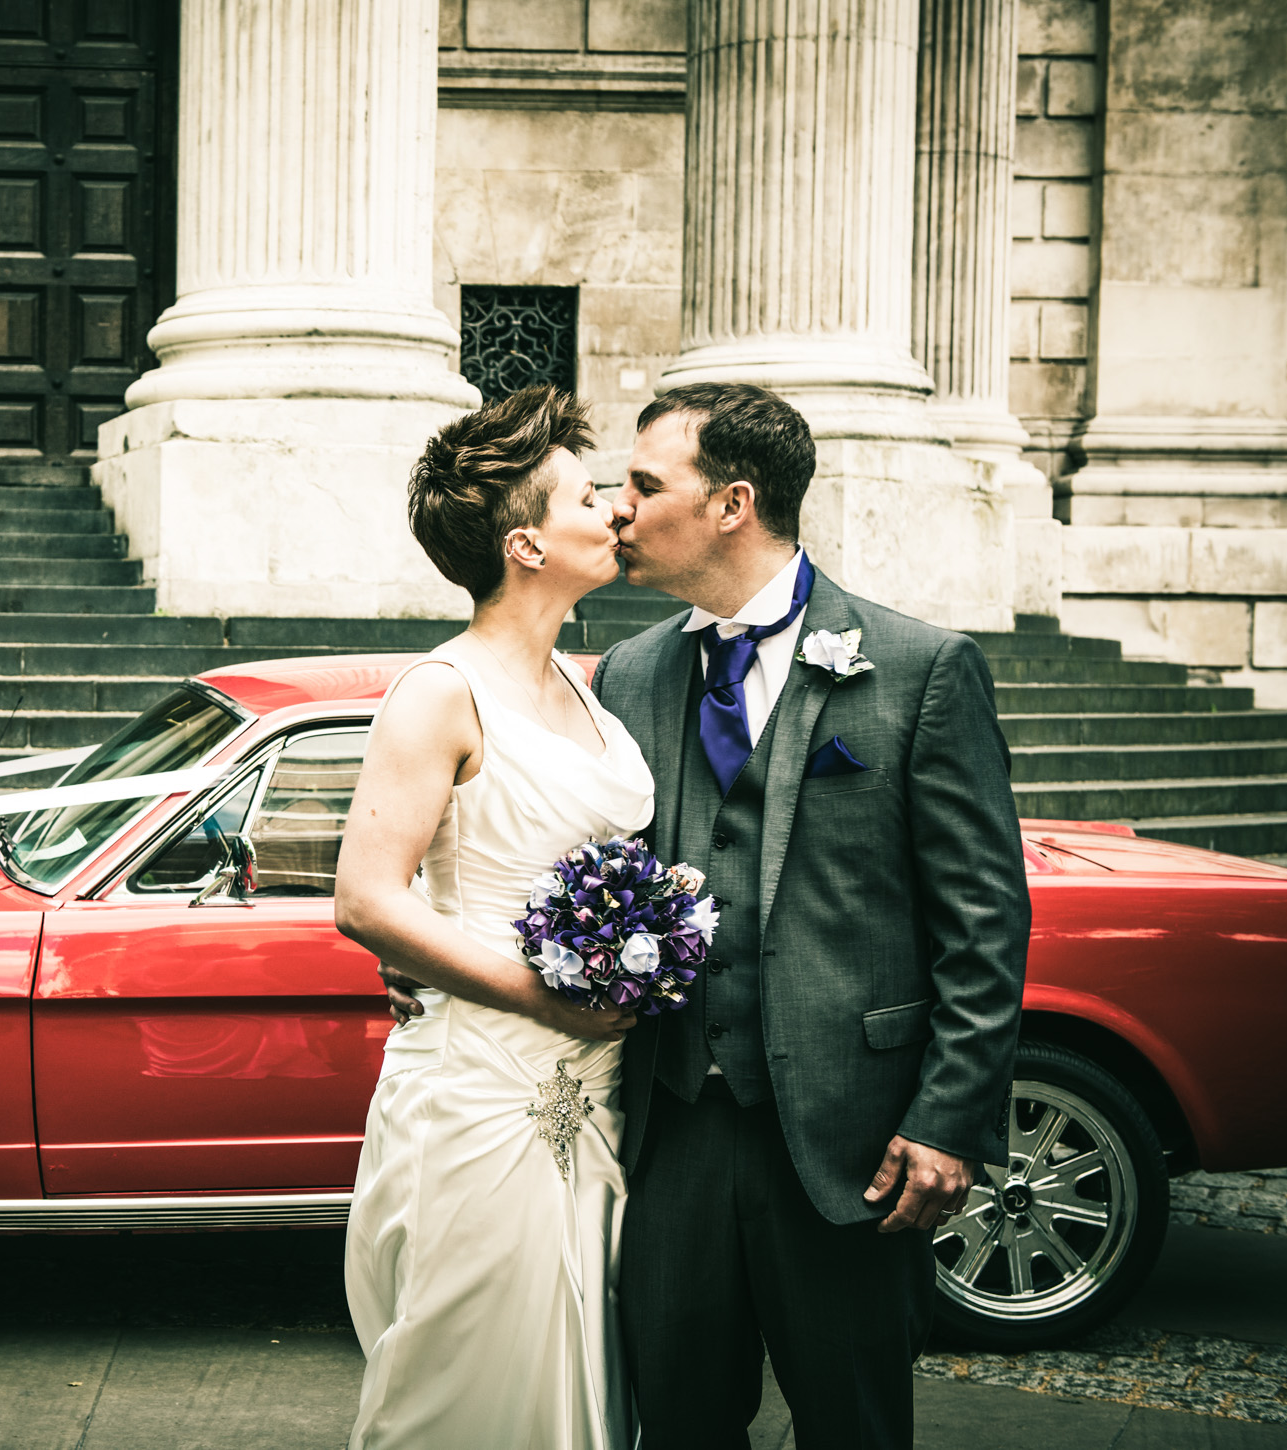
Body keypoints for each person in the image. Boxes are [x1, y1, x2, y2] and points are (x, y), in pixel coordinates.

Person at [381, 382, 1033, 1449]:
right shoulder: (628, 676)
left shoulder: (919, 669)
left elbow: (983, 924)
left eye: (644, 484)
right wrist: (442, 942)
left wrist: (949, 1121)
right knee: (677, 1420)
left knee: (856, 1425)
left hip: (850, 1137)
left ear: (733, 503)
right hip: (668, 1123)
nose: (622, 508)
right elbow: (555, 846)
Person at [336, 385, 655, 1449]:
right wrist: (546, 998)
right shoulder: (440, 692)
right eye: (585, 494)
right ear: (525, 542)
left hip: (600, 1088)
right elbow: (366, 899)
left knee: (584, 1364)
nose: (614, 510)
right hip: (487, 1085)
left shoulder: (590, 682)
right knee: (474, 1383)